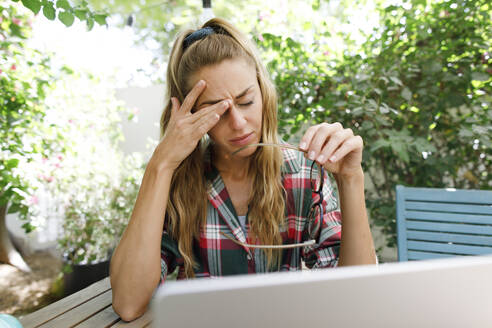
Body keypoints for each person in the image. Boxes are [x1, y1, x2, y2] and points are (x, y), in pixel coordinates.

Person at [109, 18, 377, 322]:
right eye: (216, 111)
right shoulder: (177, 183)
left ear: (264, 92)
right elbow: (128, 303)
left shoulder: (304, 173)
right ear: (189, 115)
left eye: (246, 101)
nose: (238, 123)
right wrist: (160, 164)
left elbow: (357, 298)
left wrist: (350, 180)